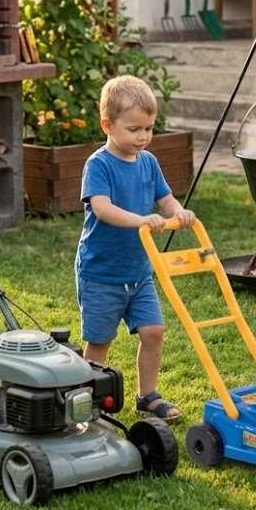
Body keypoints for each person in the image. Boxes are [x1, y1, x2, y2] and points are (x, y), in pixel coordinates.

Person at [76, 75, 195, 421]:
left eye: (148, 128)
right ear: (108, 125)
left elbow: (165, 197)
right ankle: (89, 401)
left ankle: (148, 396)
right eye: (134, 129)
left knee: (154, 331)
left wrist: (177, 212)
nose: (143, 137)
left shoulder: (149, 162)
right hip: (101, 273)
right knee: (99, 342)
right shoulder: (98, 165)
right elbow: (102, 208)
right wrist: (141, 220)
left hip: (139, 272)